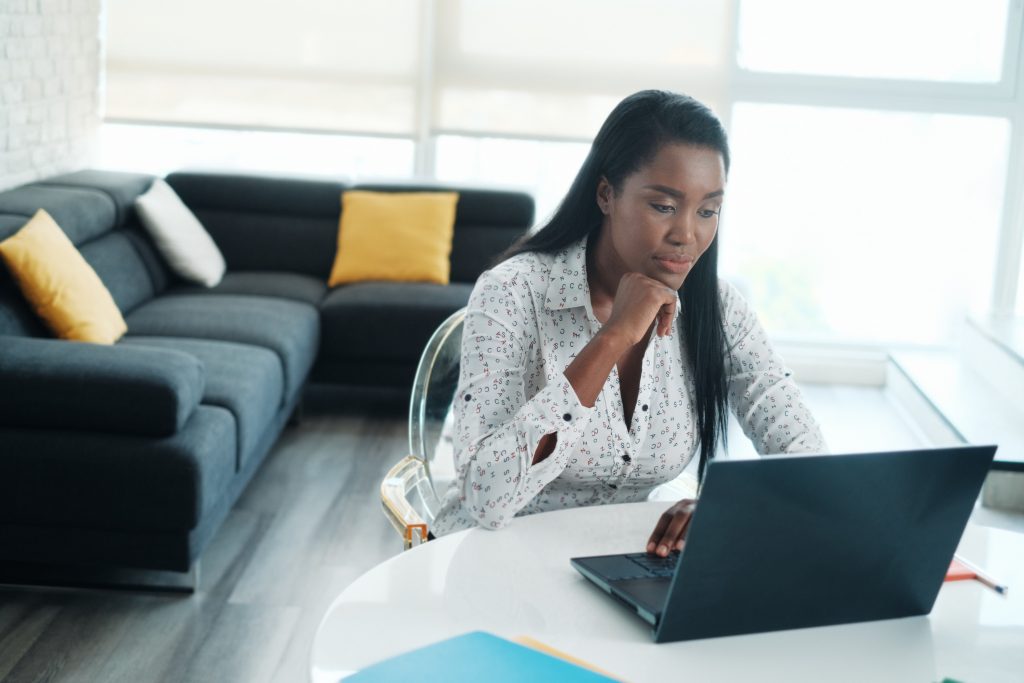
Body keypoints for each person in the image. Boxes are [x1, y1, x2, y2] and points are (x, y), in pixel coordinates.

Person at [431, 90, 828, 555]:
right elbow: (487, 499)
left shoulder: (720, 309)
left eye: (708, 211)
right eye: (663, 206)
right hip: (490, 560)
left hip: (619, 563)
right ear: (606, 194)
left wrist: (729, 507)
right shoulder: (513, 292)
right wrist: (614, 337)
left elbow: (808, 465)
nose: (686, 235)